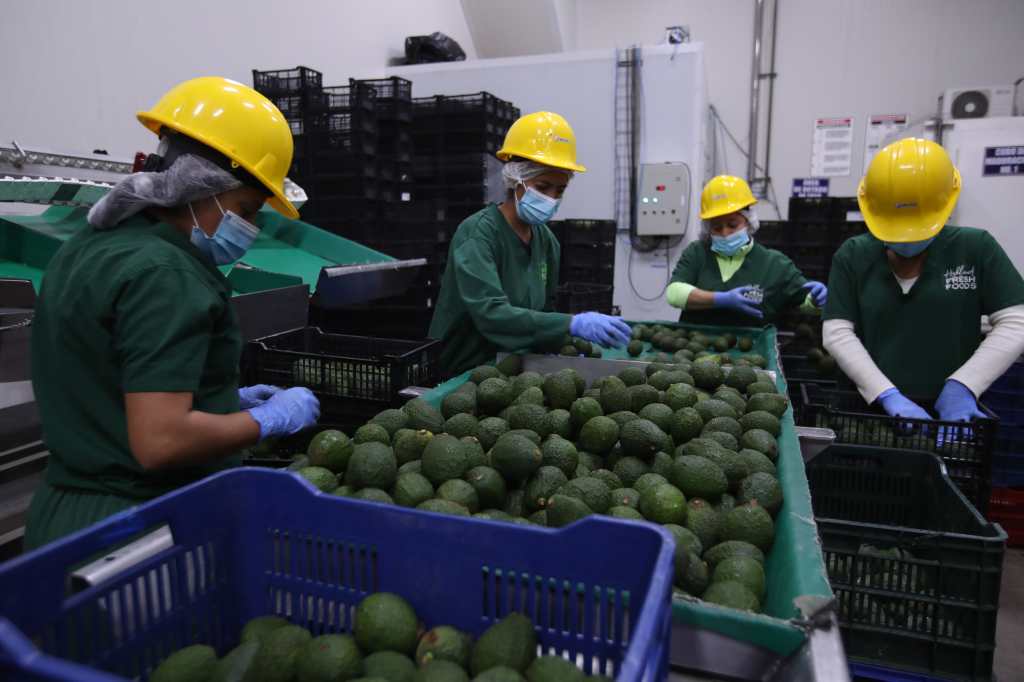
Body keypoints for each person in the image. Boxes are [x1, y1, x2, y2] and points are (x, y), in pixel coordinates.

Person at [25, 77, 321, 549]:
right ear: (201, 186)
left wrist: (216, 398)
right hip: (132, 534)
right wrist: (267, 420)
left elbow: (110, 379)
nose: (248, 227)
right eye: (246, 208)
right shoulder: (166, 273)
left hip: (68, 519)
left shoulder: (92, 245)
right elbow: (160, 440)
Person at [823, 137, 1024, 428]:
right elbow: (837, 332)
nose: (906, 240)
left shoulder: (975, 248)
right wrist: (886, 393)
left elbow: (1016, 320)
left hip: (951, 416)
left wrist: (964, 385)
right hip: (866, 410)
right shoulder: (853, 255)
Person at [429, 111, 631, 376]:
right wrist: (570, 325)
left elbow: (543, 309)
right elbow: (490, 312)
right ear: (516, 180)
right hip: (466, 371)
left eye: (559, 190)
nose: (551, 198)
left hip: (515, 368)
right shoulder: (478, 234)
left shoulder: (546, 242)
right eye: (543, 186)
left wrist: (562, 342)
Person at [666, 175, 828, 325]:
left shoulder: (774, 264)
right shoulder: (697, 253)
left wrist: (816, 300)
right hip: (694, 349)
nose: (725, 233)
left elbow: (804, 301)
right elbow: (674, 293)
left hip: (750, 353)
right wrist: (722, 299)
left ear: (749, 221)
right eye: (716, 227)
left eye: (732, 225)